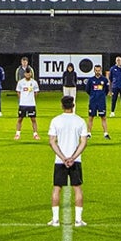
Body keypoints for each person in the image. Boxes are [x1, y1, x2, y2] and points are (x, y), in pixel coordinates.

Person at [48, 95, 88, 227]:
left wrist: (63, 157)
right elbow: (83, 143)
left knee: (56, 188)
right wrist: (73, 157)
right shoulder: (80, 121)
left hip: (60, 161)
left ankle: (55, 220)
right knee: (77, 189)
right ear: (73, 105)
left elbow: (52, 142)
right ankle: (78, 220)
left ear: (62, 106)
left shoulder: (55, 121)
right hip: (75, 161)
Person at [15, 66, 41, 140]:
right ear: (24, 74)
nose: (28, 75)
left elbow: (36, 93)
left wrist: (31, 99)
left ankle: (35, 134)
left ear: (31, 74)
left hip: (31, 104)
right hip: (23, 104)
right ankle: (17, 134)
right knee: (20, 119)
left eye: (29, 73)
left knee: (33, 119)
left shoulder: (34, 82)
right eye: (26, 73)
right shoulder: (21, 82)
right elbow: (18, 92)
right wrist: (22, 99)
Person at [84, 65, 110, 139]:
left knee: (103, 117)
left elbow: (107, 90)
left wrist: (101, 95)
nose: (97, 72)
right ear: (94, 71)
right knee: (90, 117)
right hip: (93, 102)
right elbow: (87, 90)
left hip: (101, 101)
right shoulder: (91, 80)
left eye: (99, 70)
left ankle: (106, 133)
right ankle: (88, 133)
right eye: (96, 70)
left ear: (101, 70)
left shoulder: (104, 80)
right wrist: (93, 95)